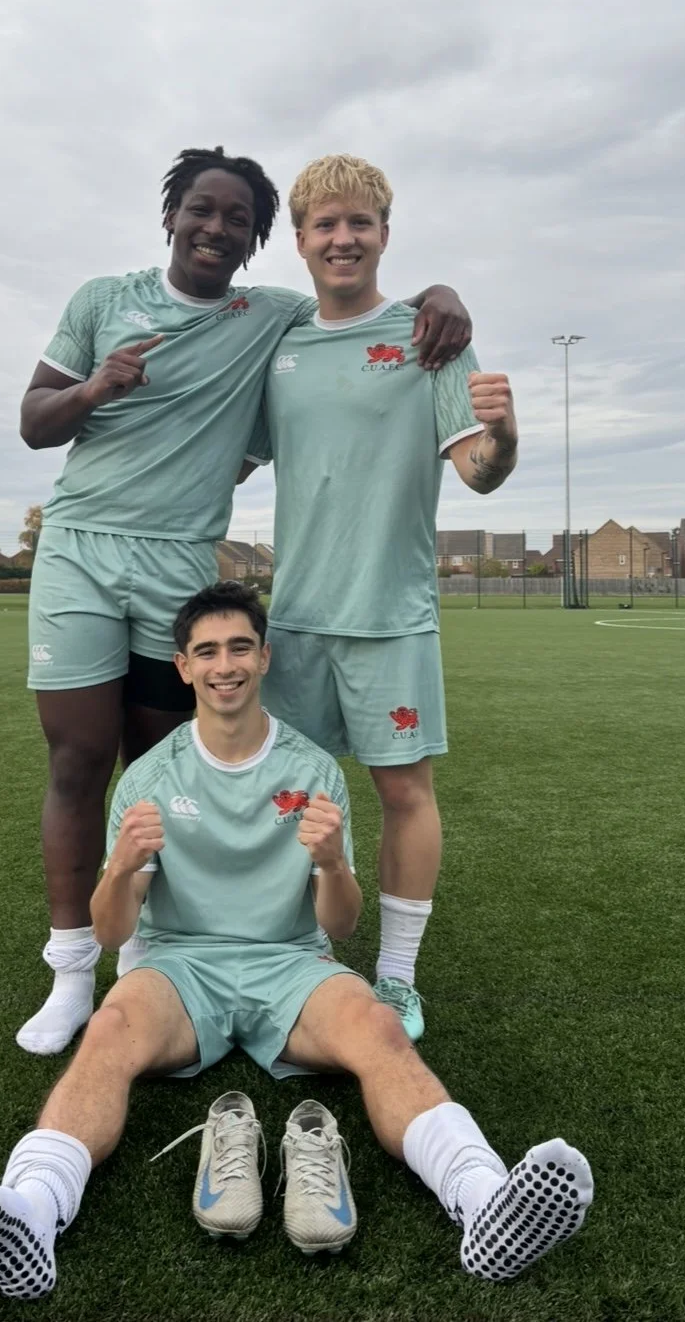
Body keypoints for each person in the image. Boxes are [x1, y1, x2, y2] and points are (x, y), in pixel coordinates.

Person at [0, 583, 593, 1299]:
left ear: (264, 658)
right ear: (183, 667)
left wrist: (332, 863)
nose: (225, 665)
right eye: (207, 651)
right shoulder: (148, 778)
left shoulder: (312, 770)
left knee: (378, 1028)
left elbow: (340, 925)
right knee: (110, 1028)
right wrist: (117, 870)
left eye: (240, 647)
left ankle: (484, 1201)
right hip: (181, 969)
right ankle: (31, 1211)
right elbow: (115, 932)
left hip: (291, 964)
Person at [14, 146, 473, 1054]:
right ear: (171, 214)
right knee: (77, 759)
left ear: (261, 240)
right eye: (201, 209)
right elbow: (33, 421)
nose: (215, 228)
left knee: (159, 767)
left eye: (237, 219)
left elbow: (354, 290)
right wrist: (97, 386)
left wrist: (440, 294)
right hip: (80, 548)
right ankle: (70, 973)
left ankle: (146, 952)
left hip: (181, 564)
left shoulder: (268, 316)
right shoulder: (101, 300)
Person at [246, 156, 519, 1041]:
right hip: (294, 618)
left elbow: (477, 471)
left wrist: (504, 434)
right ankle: (302, 952)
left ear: (384, 235)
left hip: (389, 613)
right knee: (292, 795)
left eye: (358, 223)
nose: (342, 238)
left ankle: (396, 976)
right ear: (299, 241)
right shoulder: (277, 343)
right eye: (325, 225)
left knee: (404, 792)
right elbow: (228, 451)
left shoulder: (429, 336)